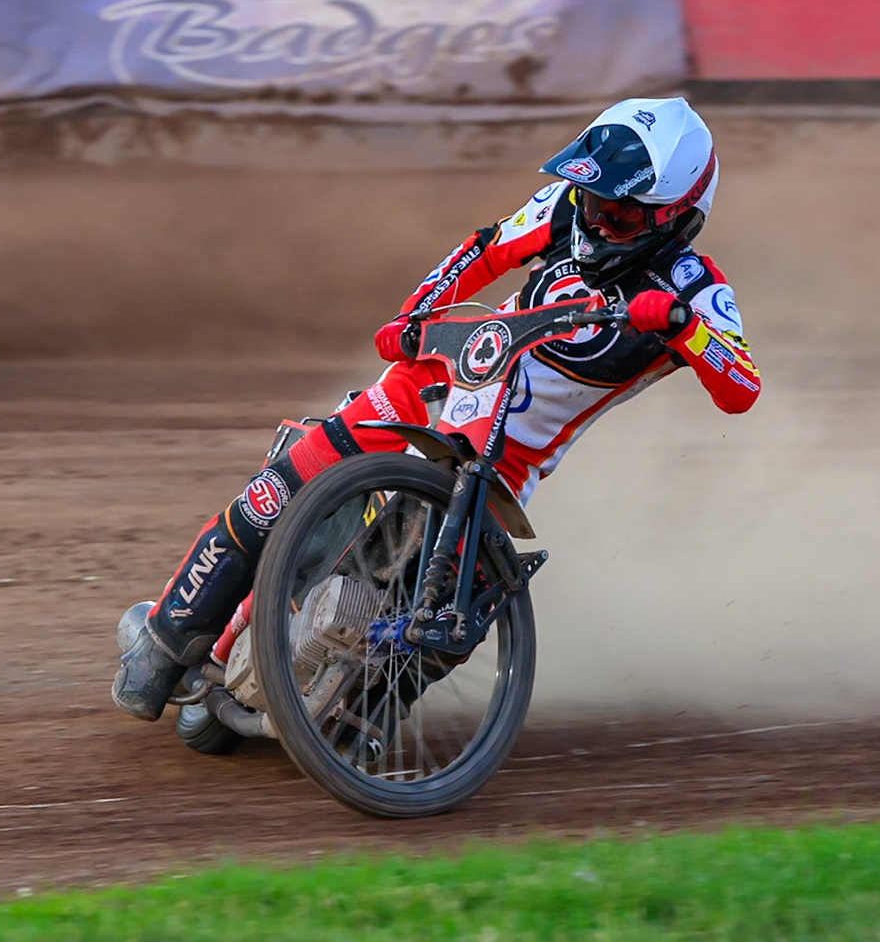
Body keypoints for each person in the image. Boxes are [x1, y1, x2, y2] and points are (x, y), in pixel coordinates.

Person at [112, 97, 762, 721]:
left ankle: (361, 724)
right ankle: (168, 641)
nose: (594, 221)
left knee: (450, 612)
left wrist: (684, 329)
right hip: (443, 373)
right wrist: (415, 313)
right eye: (591, 198)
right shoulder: (567, 207)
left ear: (673, 217)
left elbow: (743, 387)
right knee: (280, 490)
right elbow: (484, 250)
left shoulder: (695, 290)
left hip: (504, 463)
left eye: (617, 215)